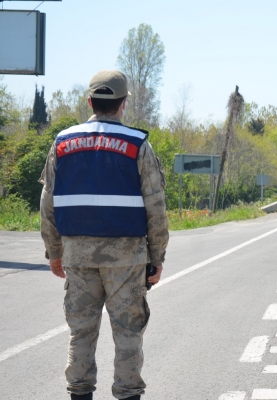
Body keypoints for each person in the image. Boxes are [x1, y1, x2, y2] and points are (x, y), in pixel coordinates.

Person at [39, 70, 169, 400]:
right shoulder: (138, 145)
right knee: (128, 334)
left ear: (89, 102)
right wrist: (157, 259)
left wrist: (54, 251)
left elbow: (48, 204)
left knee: (81, 333)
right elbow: (156, 208)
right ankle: (128, 394)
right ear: (123, 104)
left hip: (78, 258)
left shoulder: (62, 143)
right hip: (127, 260)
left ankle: (79, 394)